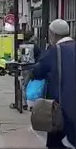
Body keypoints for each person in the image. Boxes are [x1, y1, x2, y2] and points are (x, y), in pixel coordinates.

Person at [32, 19, 75, 149]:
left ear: (53, 34)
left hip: (60, 109)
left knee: (57, 143)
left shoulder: (54, 51)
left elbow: (38, 72)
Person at [9, 30, 41, 111]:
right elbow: (39, 56)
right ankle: (31, 103)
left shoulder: (21, 46)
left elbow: (19, 57)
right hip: (33, 67)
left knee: (24, 85)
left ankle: (24, 103)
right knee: (32, 85)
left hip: (24, 67)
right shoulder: (35, 46)